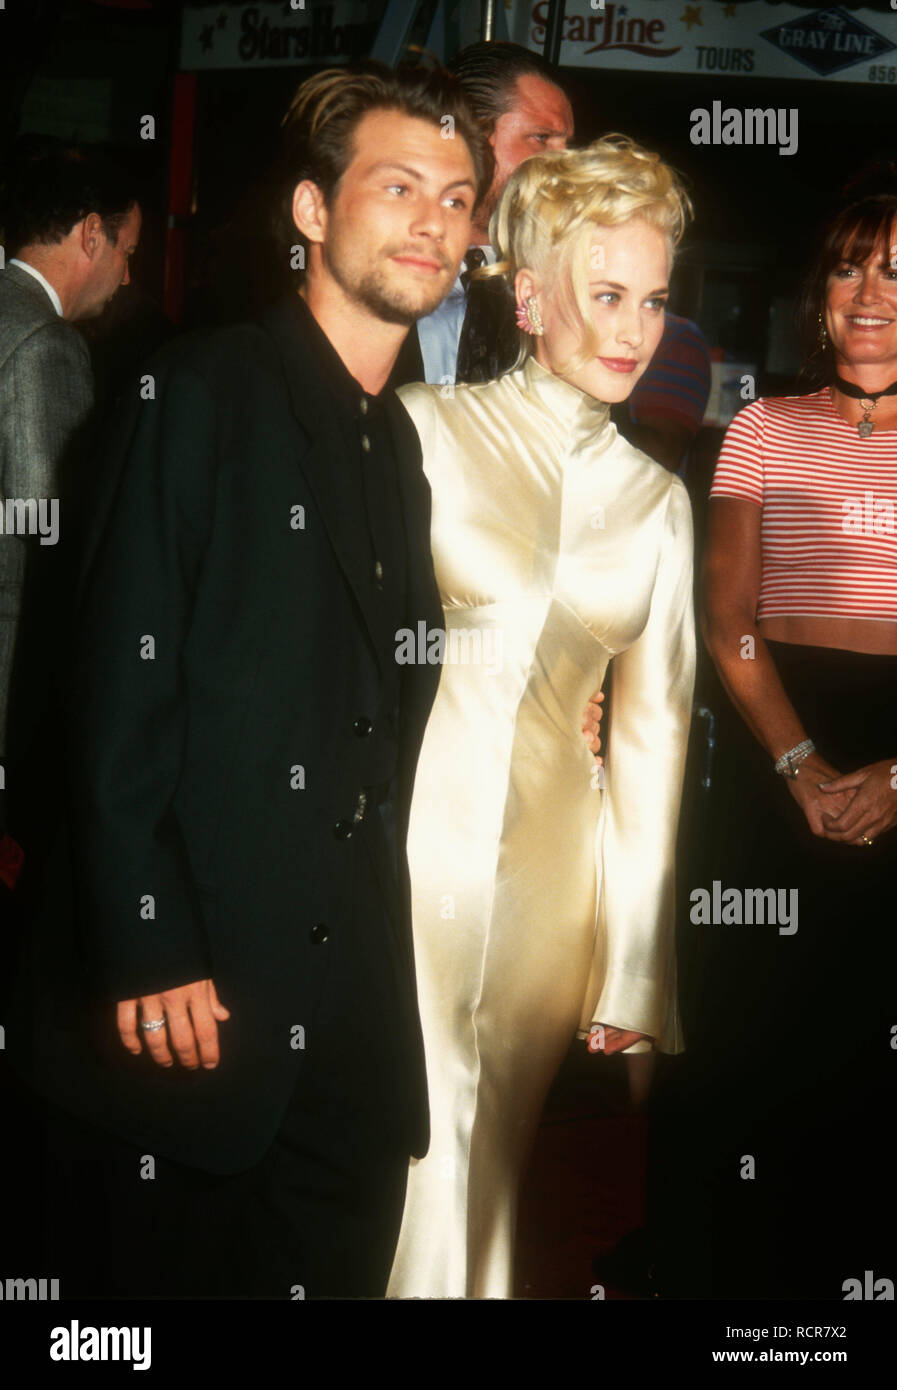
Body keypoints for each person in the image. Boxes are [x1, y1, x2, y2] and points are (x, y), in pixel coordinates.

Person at [6, 60, 492, 1300]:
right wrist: (147, 941)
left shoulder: (401, 444)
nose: (433, 219)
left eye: (457, 196)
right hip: (188, 1008)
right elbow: (108, 685)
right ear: (313, 214)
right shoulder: (198, 391)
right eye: (397, 186)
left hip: (346, 1037)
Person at [386, 134, 696, 1299]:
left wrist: (635, 969)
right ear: (530, 296)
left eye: (654, 300)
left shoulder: (660, 504)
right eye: (606, 294)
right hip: (397, 857)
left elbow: (655, 744)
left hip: (551, 893)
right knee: (406, 1151)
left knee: (494, 1165)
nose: (633, 330)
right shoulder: (423, 430)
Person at [660, 179, 897, 1298]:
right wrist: (802, 765)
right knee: (753, 1039)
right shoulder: (762, 426)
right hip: (775, 750)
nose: (868, 295)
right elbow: (726, 619)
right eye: (851, 268)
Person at [0, 141, 140, 824]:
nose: (127, 275)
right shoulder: (46, 345)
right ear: (91, 234)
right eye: (126, 251)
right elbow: (41, 554)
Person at [389, 40, 573, 389]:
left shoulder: (566, 294)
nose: (561, 170)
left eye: (566, 147)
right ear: (470, 132)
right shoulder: (379, 269)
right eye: (541, 139)